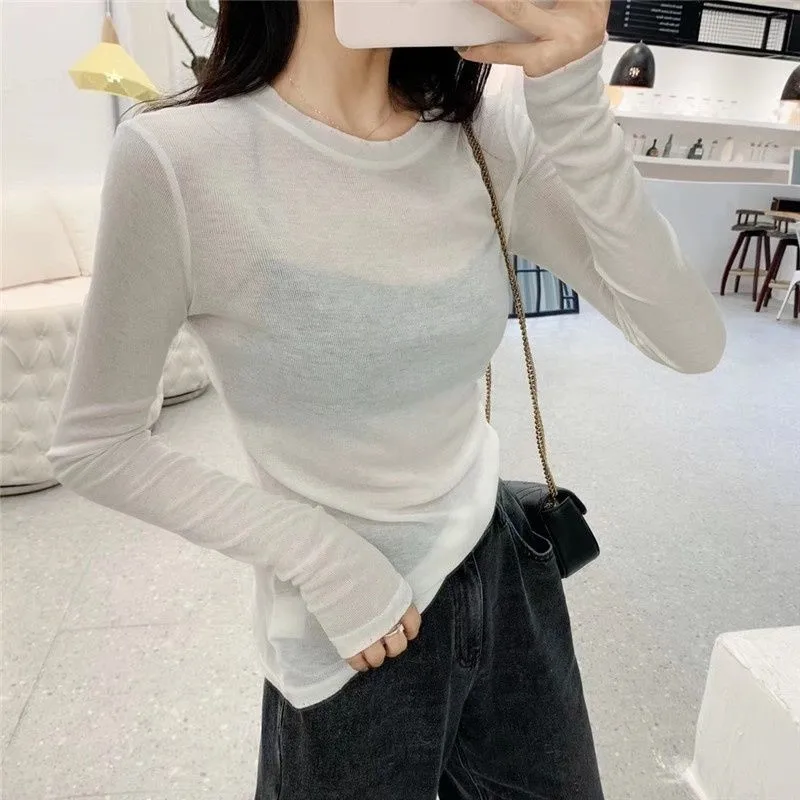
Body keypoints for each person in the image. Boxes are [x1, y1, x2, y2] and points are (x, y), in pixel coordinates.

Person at [47, 1, 726, 798]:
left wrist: (574, 108)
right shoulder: (179, 160)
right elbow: (97, 444)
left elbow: (690, 341)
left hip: (504, 574)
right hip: (351, 630)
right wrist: (321, 558)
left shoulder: (487, 134)